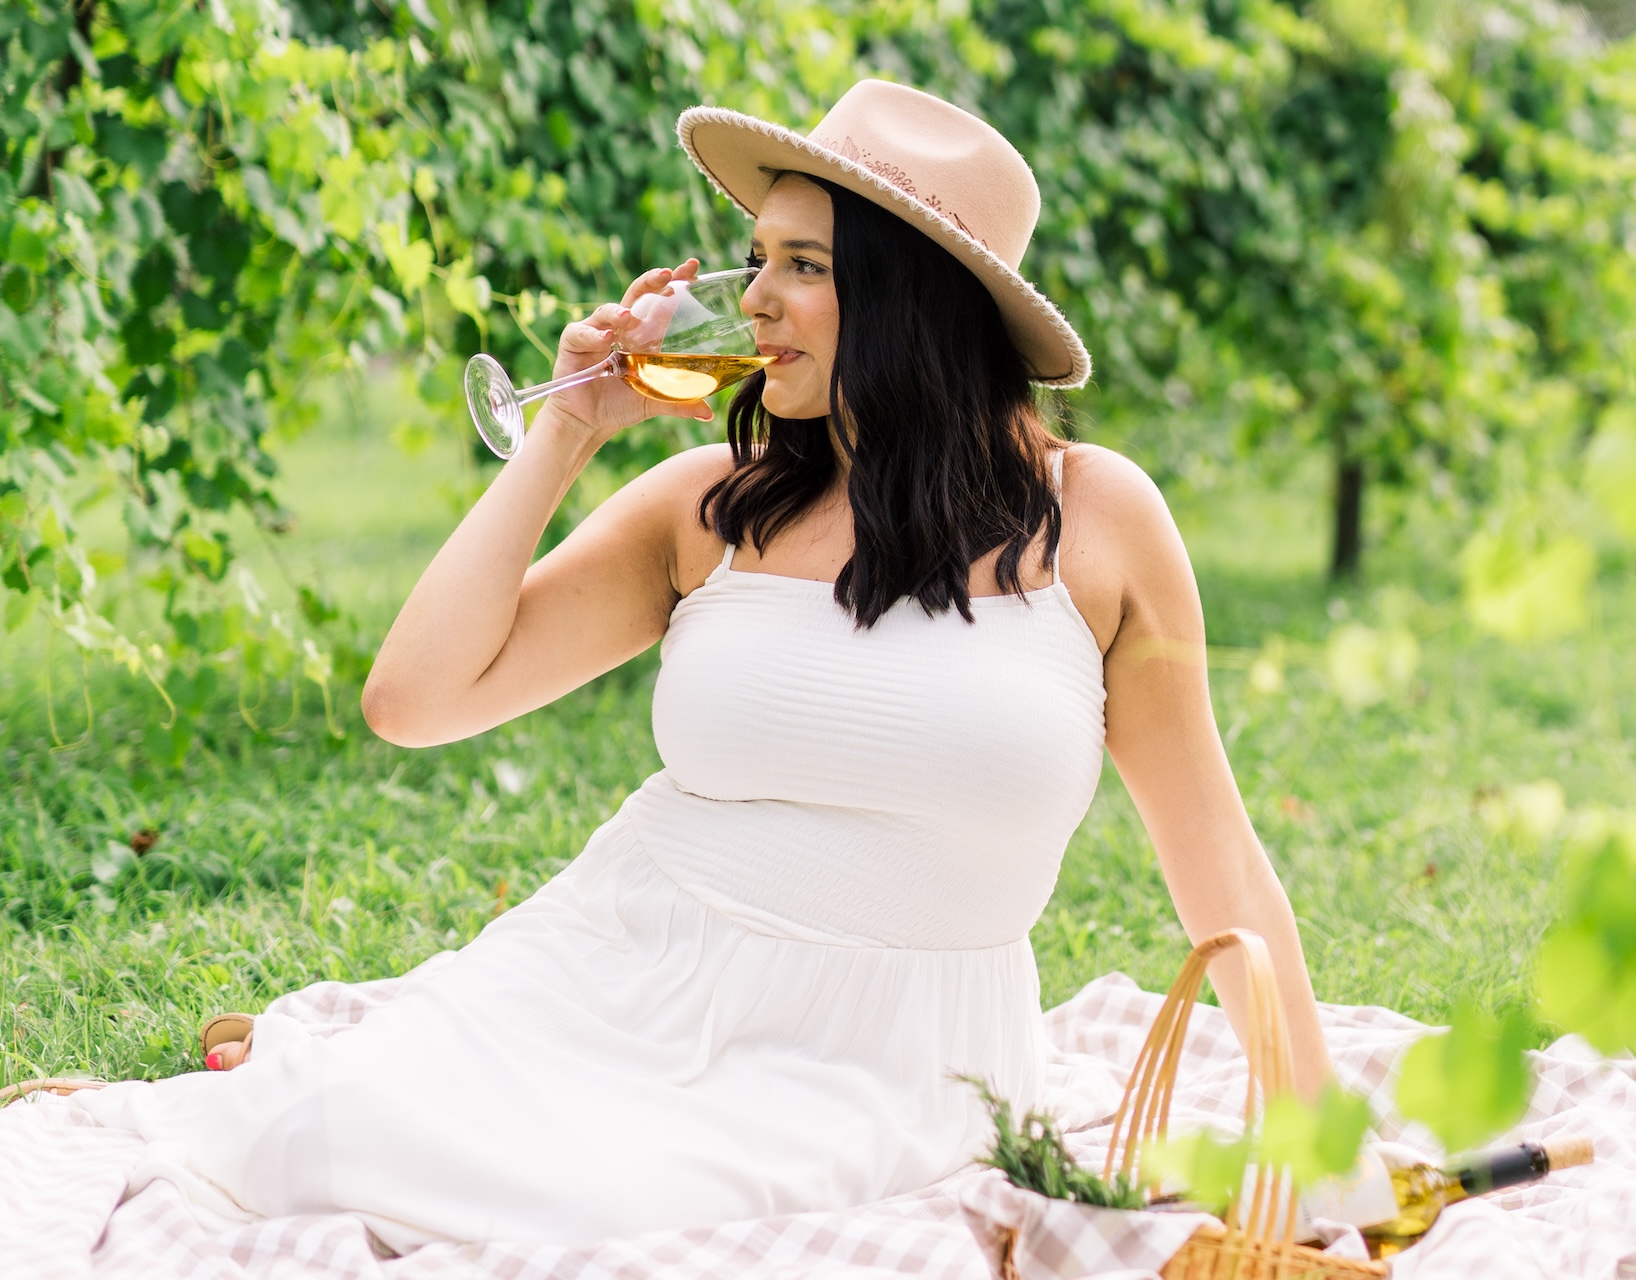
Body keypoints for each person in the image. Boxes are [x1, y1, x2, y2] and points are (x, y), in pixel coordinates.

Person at [62, 79, 1333, 1250]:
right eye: (757, 258)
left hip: (903, 1056)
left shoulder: (1098, 520)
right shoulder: (708, 507)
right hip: (621, 973)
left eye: (804, 265)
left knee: (612, 1209)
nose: (756, 296)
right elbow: (414, 700)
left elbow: (1214, 852)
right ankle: (340, 1073)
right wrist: (563, 430)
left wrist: (1316, 1136)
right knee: (331, 1135)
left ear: (914, 300)